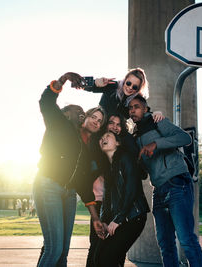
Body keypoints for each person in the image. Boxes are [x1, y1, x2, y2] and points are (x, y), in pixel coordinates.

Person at [34, 72, 106, 267]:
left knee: (64, 252)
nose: (80, 112)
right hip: (48, 186)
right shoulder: (58, 124)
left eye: (83, 111)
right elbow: (46, 102)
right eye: (76, 111)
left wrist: (95, 218)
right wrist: (63, 79)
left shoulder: (84, 148)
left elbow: (83, 184)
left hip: (69, 193)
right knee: (53, 249)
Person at [128, 95, 202, 267]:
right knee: (165, 243)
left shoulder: (158, 121)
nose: (133, 110)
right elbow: (143, 171)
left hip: (176, 183)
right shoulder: (135, 136)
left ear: (146, 108)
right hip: (159, 190)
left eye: (137, 107)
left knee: (186, 239)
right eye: (130, 108)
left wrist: (156, 144)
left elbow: (185, 139)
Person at [85, 113, 140, 267]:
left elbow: (132, 185)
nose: (115, 127)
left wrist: (119, 217)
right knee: (97, 249)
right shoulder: (99, 148)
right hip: (100, 204)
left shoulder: (123, 156)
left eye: (118, 124)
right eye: (111, 123)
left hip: (118, 208)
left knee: (113, 254)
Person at [93, 132, 150, 267]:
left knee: (108, 259)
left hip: (134, 217)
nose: (103, 139)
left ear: (117, 143)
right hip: (119, 218)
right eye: (102, 137)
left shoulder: (126, 158)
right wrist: (105, 221)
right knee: (98, 258)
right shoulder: (108, 167)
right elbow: (107, 199)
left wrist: (118, 219)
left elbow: (131, 191)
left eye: (108, 136)